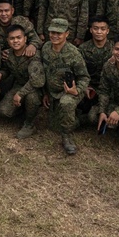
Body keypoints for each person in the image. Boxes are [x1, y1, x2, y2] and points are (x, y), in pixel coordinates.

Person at [40, 18, 90, 154]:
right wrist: (45, 93)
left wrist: (76, 90)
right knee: (53, 126)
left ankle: (67, 137)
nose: (55, 36)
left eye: (59, 33)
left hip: (69, 92)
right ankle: (81, 119)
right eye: (52, 32)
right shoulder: (45, 48)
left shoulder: (74, 53)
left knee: (66, 103)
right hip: (52, 92)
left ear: (67, 34)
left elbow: (85, 78)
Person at [0, 24, 46, 139]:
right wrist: (0, 74)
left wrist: (20, 94)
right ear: (8, 40)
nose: (15, 41)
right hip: (19, 85)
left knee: (31, 98)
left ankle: (29, 124)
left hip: (35, 87)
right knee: (3, 111)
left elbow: (37, 81)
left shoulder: (33, 54)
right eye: (12, 38)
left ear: (25, 39)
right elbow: (6, 70)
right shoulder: (8, 54)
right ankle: (24, 110)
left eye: (18, 38)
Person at [78, 15, 113, 130]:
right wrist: (85, 87)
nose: (99, 32)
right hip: (90, 88)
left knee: (93, 117)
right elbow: (78, 71)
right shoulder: (83, 49)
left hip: (108, 90)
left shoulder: (116, 49)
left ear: (107, 31)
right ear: (91, 30)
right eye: (96, 28)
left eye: (103, 29)